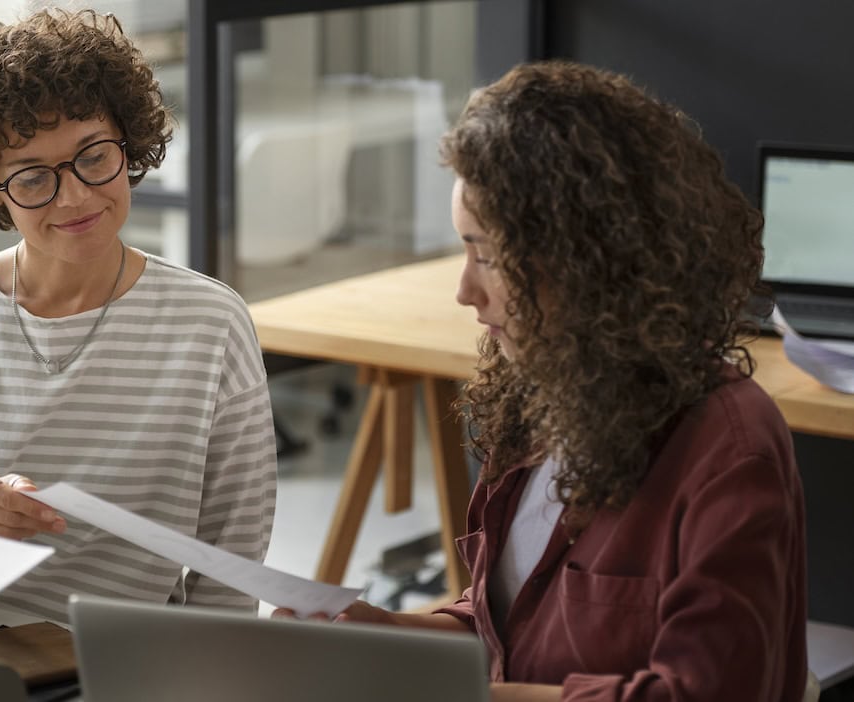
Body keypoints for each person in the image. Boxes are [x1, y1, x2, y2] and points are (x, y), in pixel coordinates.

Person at [277, 61, 808, 701]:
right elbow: (508, 628)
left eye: (489, 256)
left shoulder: (728, 447)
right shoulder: (542, 398)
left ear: (584, 259)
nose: (464, 291)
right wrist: (386, 634)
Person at [0, 8, 276, 622]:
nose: (73, 196)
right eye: (32, 177)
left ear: (129, 140)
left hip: (122, 661)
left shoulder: (210, 323)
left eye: (94, 157)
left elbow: (231, 569)